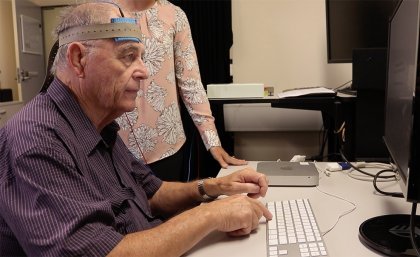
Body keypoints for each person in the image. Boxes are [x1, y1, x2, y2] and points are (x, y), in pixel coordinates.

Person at [0, 3, 271, 256]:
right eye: (129, 56)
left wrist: (213, 187)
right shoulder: (36, 139)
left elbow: (152, 192)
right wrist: (211, 215)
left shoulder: (101, 126)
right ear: (79, 59)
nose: (143, 71)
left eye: (142, 58)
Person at [115, 0, 247, 181]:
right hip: (111, 148)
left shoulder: (174, 15)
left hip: (167, 149)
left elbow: (190, 83)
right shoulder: (99, 12)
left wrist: (213, 141)